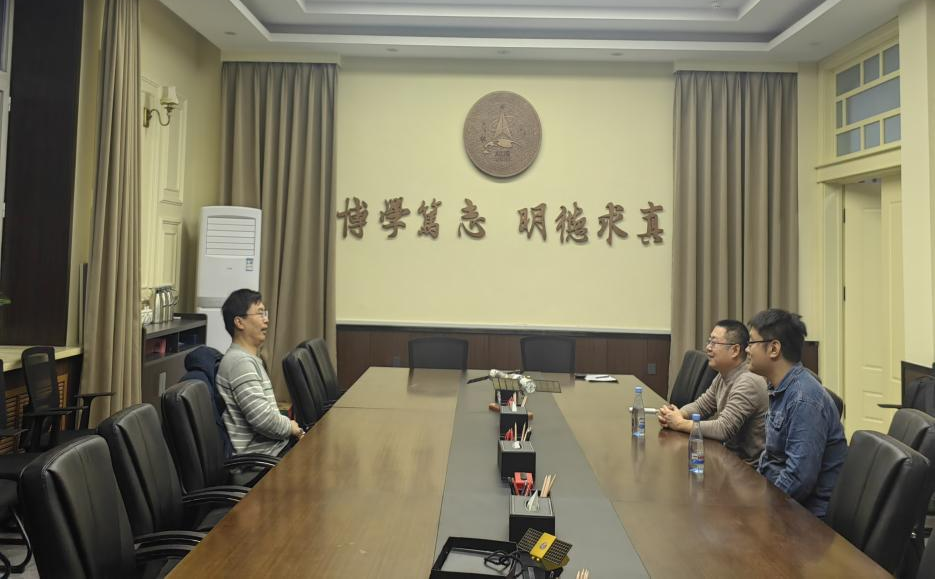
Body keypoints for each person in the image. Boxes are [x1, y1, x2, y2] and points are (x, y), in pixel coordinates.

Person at [747, 309, 846, 518]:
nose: (747, 350)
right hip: (780, 500)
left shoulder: (803, 399)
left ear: (774, 348)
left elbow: (799, 479)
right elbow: (772, 459)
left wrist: (759, 510)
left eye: (751, 342)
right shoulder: (780, 388)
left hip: (806, 516)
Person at [658, 320, 768, 465]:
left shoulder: (748, 381)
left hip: (746, 469)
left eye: (714, 343)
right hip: (727, 459)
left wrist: (680, 423)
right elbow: (702, 406)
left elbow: (723, 428)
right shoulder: (723, 375)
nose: (708, 348)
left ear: (735, 350)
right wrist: (678, 414)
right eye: (709, 341)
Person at [216, 288, 303, 456]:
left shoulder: (247, 359)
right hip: (264, 459)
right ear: (239, 322)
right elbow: (263, 420)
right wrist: (291, 427)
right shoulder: (240, 363)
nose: (266, 320)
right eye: (260, 313)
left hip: (274, 449)